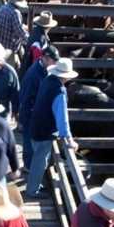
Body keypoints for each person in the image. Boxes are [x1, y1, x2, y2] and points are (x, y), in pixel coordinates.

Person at [25, 58, 79, 198]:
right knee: (40, 161)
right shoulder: (60, 91)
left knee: (38, 158)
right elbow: (62, 120)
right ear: (66, 76)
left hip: (35, 125)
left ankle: (34, 184)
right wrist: (69, 139)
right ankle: (32, 190)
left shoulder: (47, 80)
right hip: (44, 131)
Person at [17, 45, 59, 169]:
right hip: (30, 115)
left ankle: (32, 168)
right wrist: (22, 120)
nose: (55, 63)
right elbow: (25, 99)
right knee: (29, 143)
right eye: (54, 60)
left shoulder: (43, 70)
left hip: (37, 115)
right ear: (45, 58)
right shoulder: (34, 75)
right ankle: (29, 169)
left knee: (32, 143)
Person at [0, 0, 29, 70]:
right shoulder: (15, 13)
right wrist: (30, 39)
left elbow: (10, 24)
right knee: (9, 70)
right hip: (9, 49)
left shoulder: (3, 8)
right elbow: (20, 32)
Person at [19, 11, 57, 77]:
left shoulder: (35, 31)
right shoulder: (40, 41)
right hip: (32, 72)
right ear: (49, 27)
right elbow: (36, 61)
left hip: (27, 68)